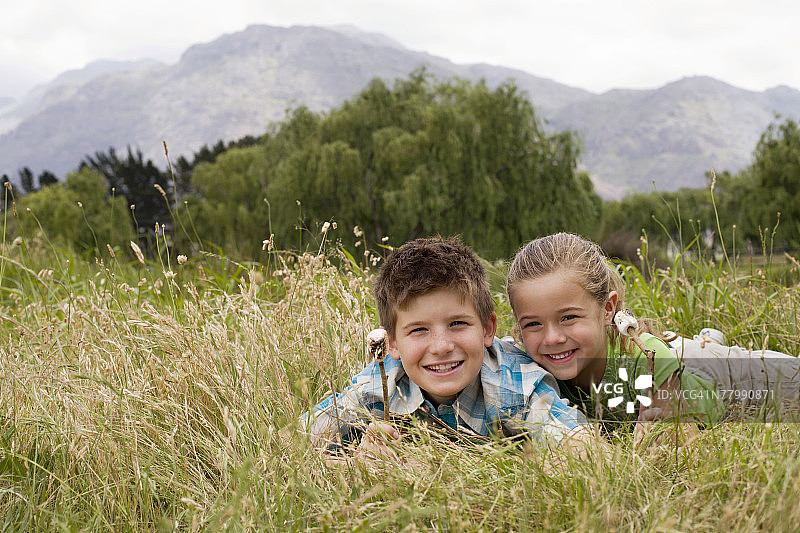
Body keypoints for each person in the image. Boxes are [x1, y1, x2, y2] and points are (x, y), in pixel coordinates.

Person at [302, 236, 592, 456]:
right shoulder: (380, 384)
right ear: (393, 344)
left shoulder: (518, 387)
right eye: (418, 330)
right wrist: (357, 463)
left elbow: (584, 452)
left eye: (457, 324)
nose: (440, 347)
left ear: (488, 329)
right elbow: (290, 443)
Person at [505, 232, 800, 433]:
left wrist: (671, 423)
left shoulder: (645, 362)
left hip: (724, 377)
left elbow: (683, 434)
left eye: (568, 318)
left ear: (608, 309)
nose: (552, 338)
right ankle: (704, 339)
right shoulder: (529, 369)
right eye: (533, 324)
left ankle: (708, 343)